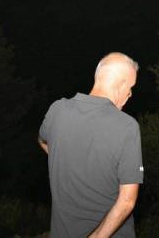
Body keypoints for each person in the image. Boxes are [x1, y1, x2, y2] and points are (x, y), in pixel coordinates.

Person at [38, 52, 144, 237]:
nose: (130, 94)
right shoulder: (127, 126)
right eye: (131, 87)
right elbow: (127, 201)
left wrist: (68, 160)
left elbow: (43, 141)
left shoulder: (57, 110)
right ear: (121, 84)